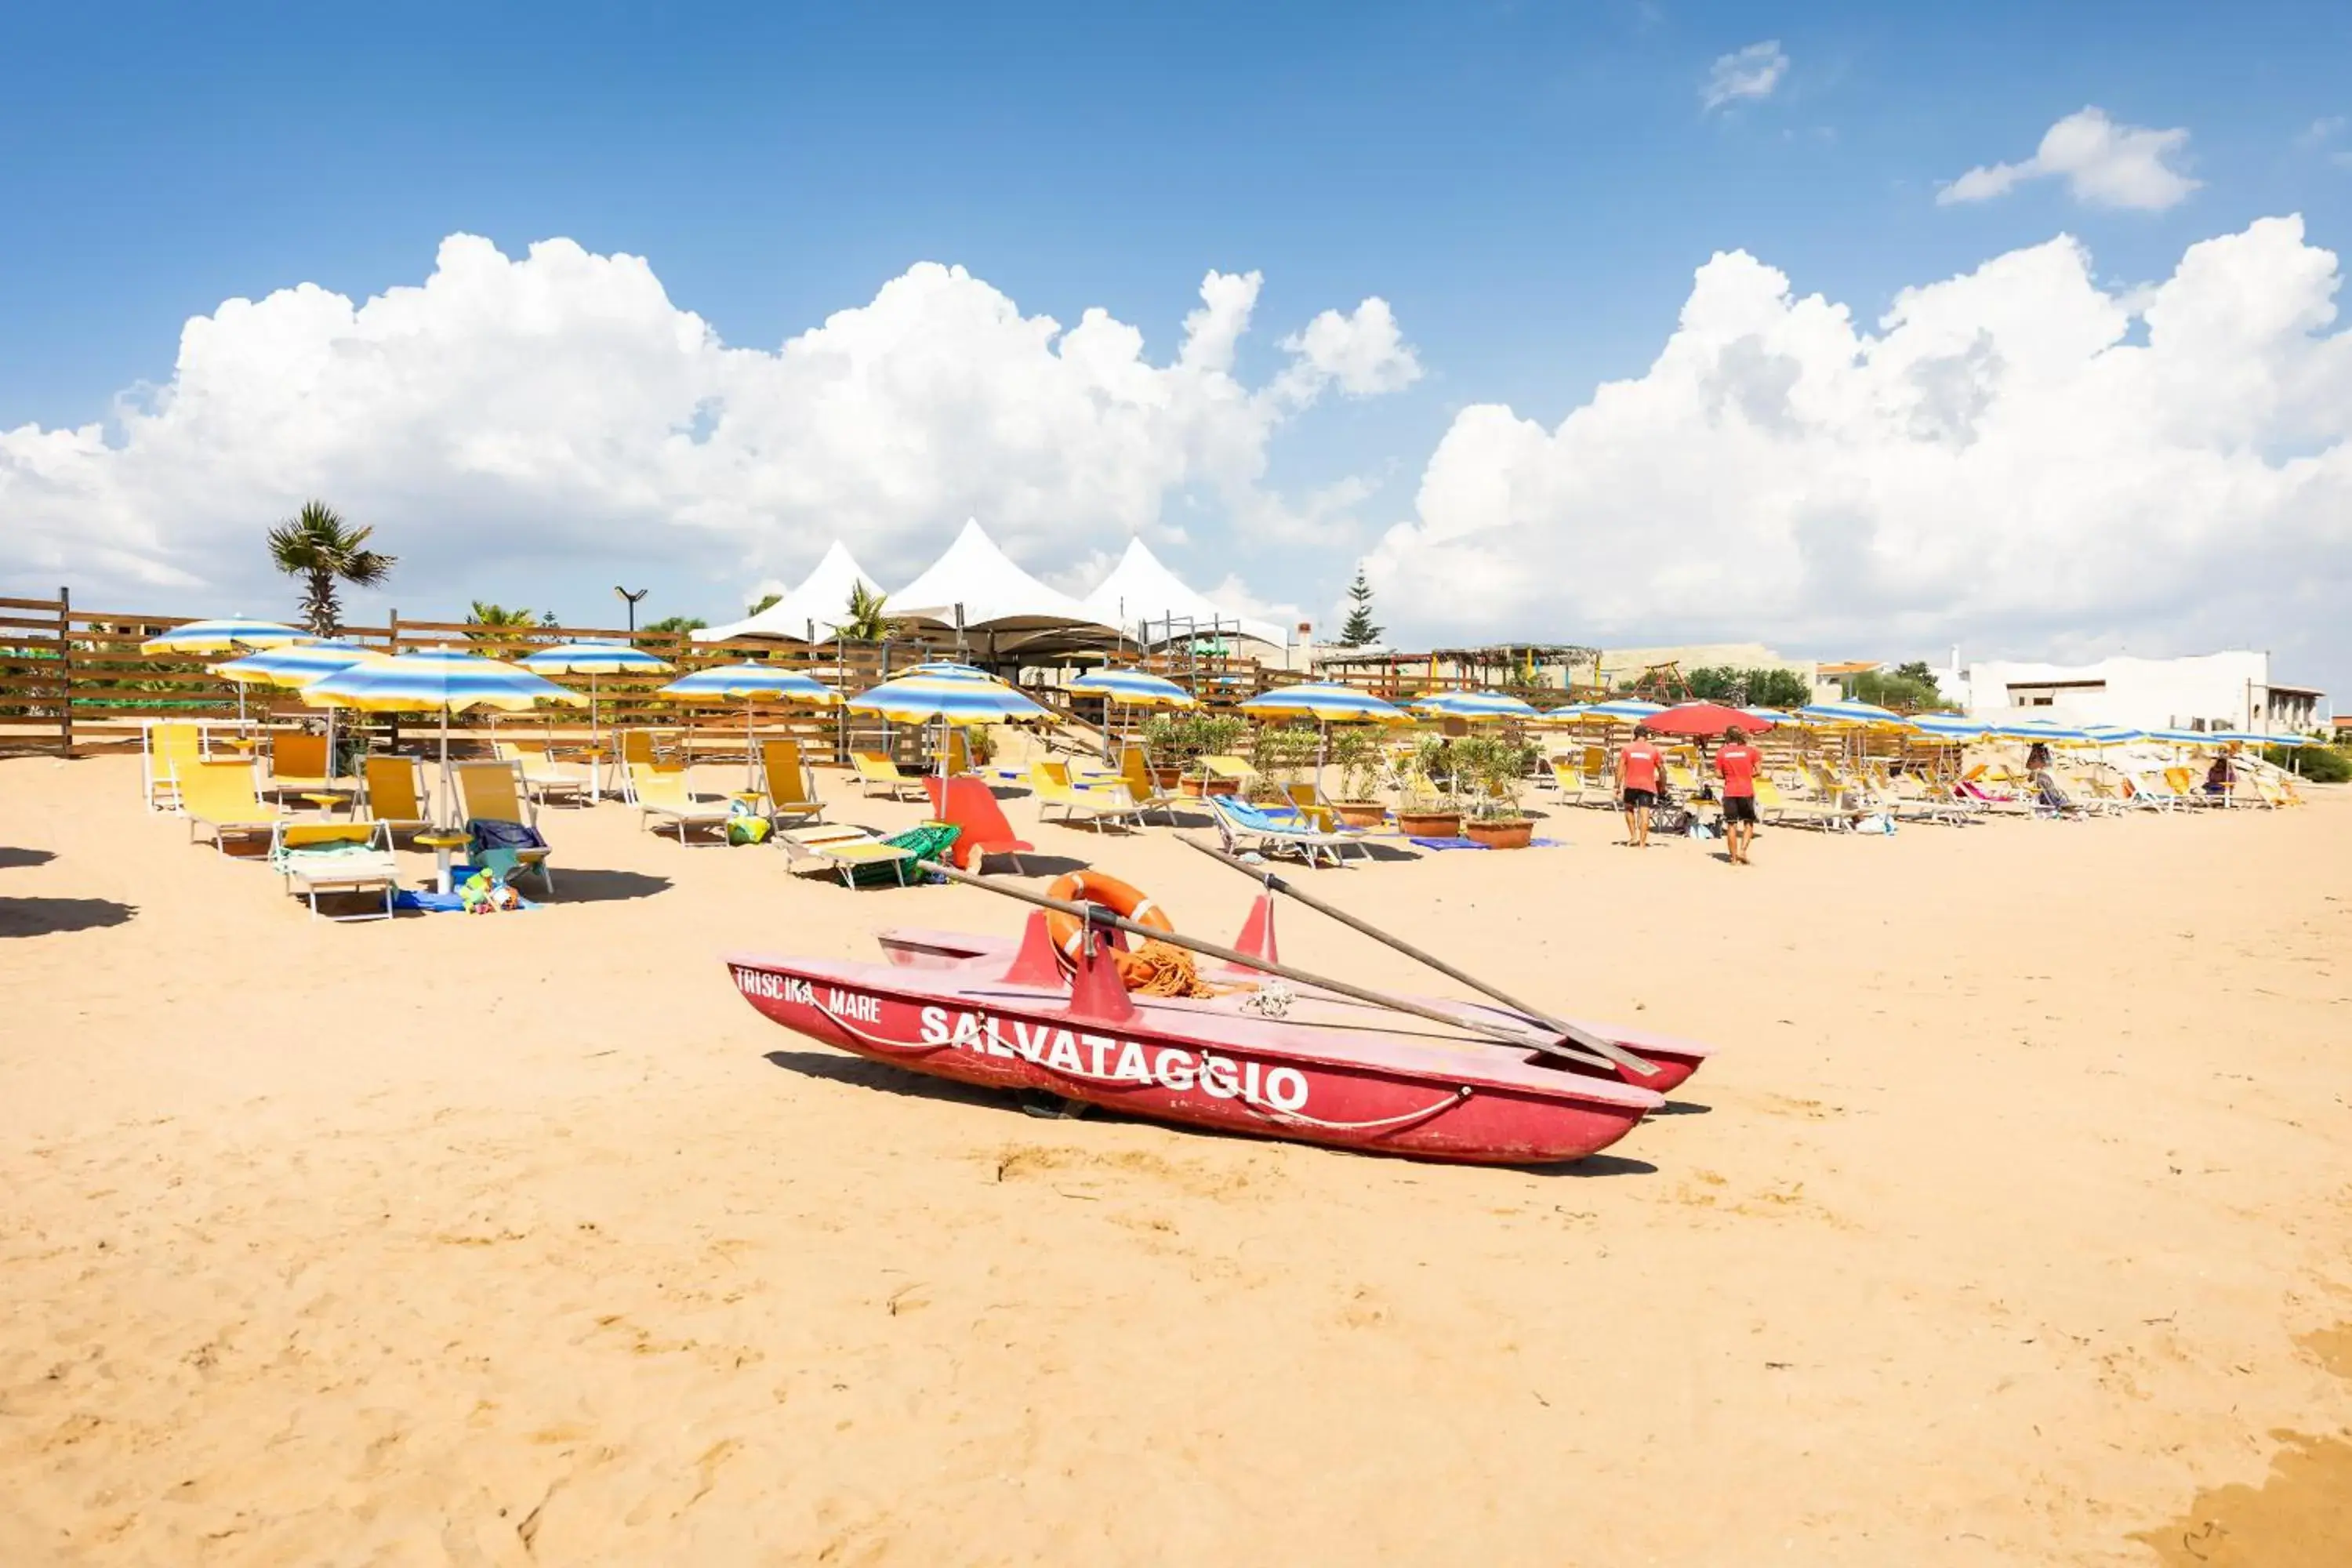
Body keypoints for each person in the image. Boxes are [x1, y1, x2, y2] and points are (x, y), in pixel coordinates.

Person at [1715, 724, 1762, 865]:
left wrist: (1728, 776)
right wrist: (1747, 774)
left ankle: (1733, 859)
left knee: (1731, 825)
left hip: (1730, 791)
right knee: (1748, 822)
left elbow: (1718, 774)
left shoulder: (1722, 752)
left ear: (1727, 737)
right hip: (1746, 790)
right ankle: (1742, 850)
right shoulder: (1751, 751)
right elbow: (1759, 771)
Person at [1617, 725, 1664, 847]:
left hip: (1631, 784)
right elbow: (1662, 770)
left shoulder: (1627, 749)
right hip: (1647, 785)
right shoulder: (1654, 750)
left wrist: (1617, 785)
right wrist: (1663, 786)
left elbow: (1621, 769)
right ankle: (1642, 843)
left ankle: (1633, 837)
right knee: (1645, 813)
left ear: (1635, 735)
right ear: (1647, 736)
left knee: (1629, 809)